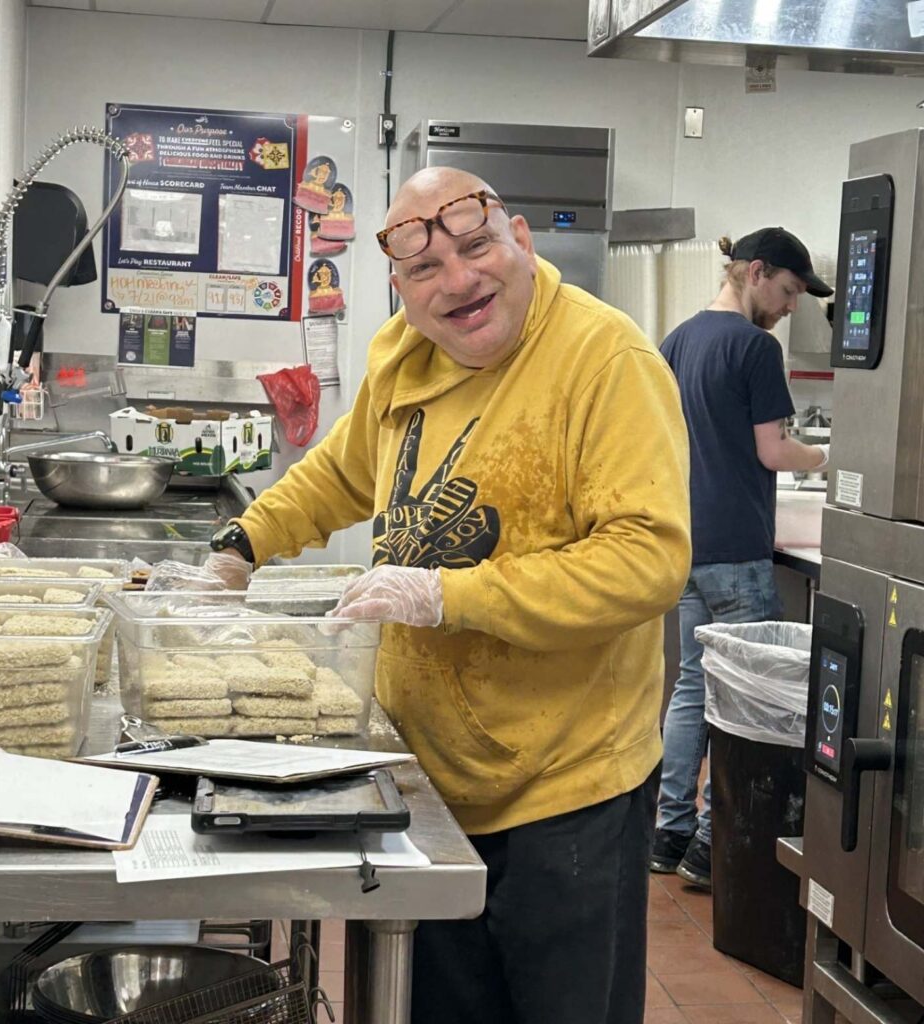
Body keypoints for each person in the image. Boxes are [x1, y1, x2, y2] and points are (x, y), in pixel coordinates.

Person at [208, 166, 691, 1024]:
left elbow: (646, 560)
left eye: (476, 248)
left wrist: (447, 596)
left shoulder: (603, 358)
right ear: (400, 287)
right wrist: (240, 547)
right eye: (426, 270)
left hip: (567, 790)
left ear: (522, 243)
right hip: (427, 781)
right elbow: (340, 475)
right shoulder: (406, 354)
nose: (459, 282)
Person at [650, 227, 832, 891]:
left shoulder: (678, 341)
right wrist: (829, 460)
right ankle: (711, 846)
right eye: (787, 292)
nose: (789, 308)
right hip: (737, 554)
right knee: (746, 703)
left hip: (687, 546)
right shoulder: (755, 349)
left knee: (693, 686)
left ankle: (668, 834)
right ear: (756, 272)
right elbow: (774, 452)